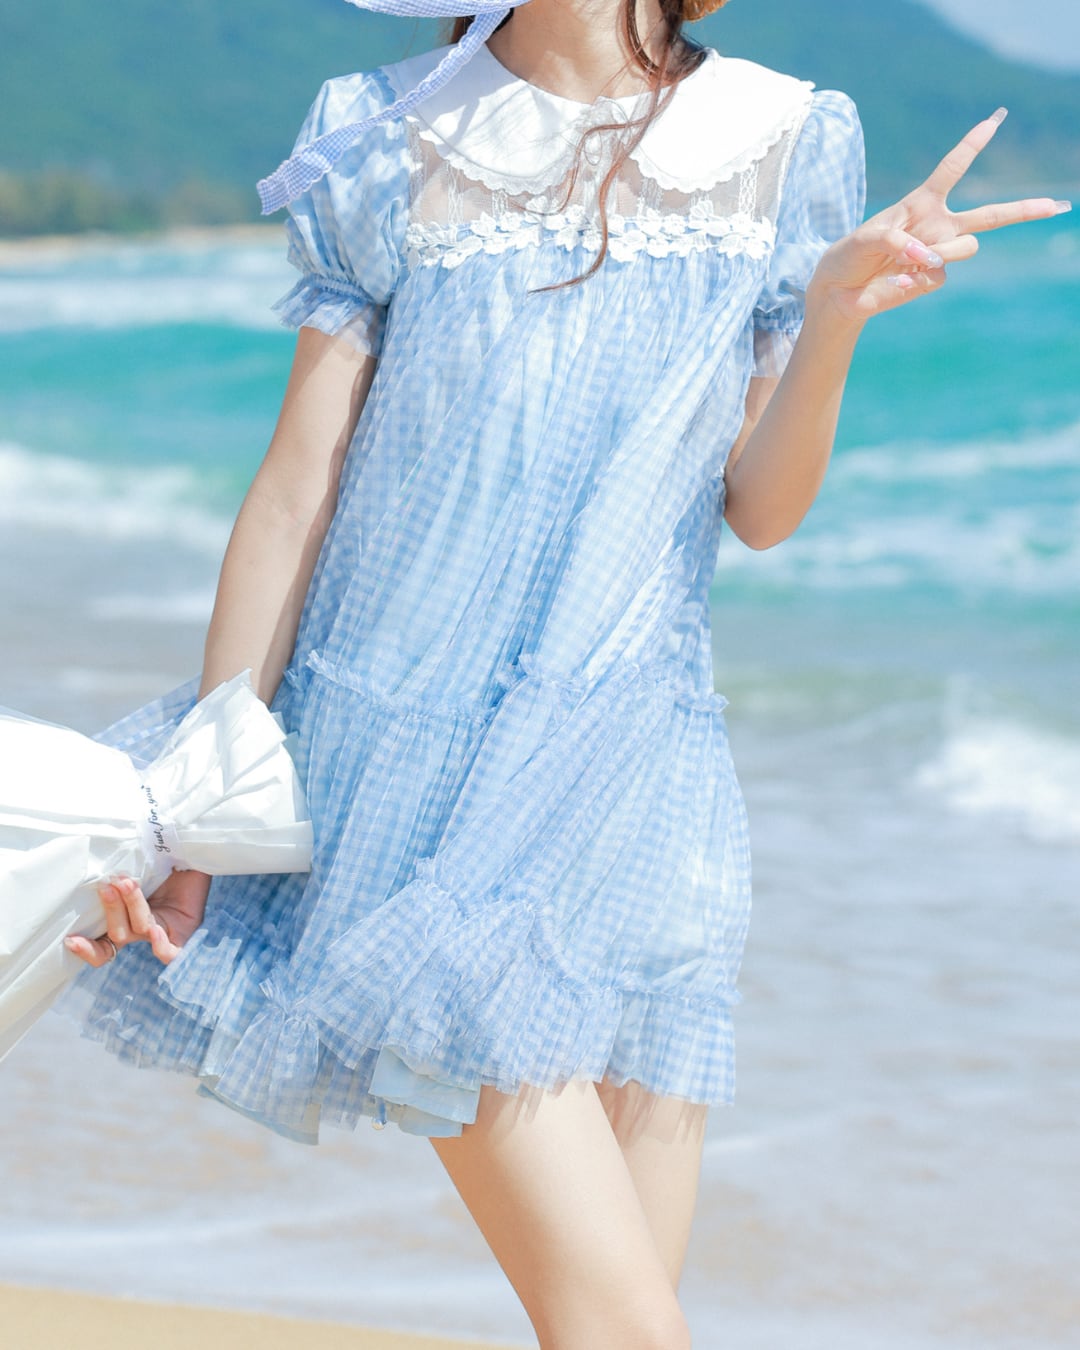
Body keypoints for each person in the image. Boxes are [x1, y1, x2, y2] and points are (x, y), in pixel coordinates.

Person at [60, 0, 1068, 1344]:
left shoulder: (781, 134)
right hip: (408, 793)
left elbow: (760, 508)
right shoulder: (389, 130)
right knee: (628, 1328)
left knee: (617, 1323)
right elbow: (298, 485)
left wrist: (833, 318)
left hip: (638, 795)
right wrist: (207, 794)